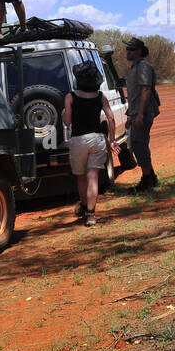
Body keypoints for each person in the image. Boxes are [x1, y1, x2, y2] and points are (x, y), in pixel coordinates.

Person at [64, 61, 117, 227]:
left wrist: (64, 113)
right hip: (97, 138)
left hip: (78, 139)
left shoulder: (70, 96)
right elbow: (111, 118)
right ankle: (91, 215)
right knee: (93, 176)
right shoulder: (100, 96)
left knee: (81, 177)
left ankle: (84, 206)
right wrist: (112, 139)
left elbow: (67, 122)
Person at [123, 37, 159, 190]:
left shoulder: (143, 66)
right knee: (138, 144)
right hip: (137, 112)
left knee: (139, 144)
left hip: (143, 113)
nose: (127, 52)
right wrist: (131, 115)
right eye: (127, 49)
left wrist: (140, 115)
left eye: (130, 49)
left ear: (138, 51)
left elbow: (145, 90)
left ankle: (147, 180)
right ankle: (150, 177)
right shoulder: (135, 67)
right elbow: (135, 94)